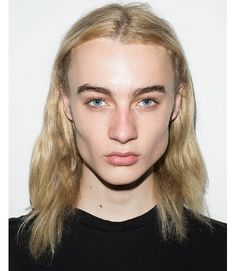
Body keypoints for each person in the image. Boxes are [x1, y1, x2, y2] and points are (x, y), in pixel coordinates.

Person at [9, 3, 226, 271]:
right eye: (98, 101)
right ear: (66, 103)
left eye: (146, 101)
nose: (123, 132)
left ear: (177, 103)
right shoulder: (8, 251)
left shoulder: (224, 252)